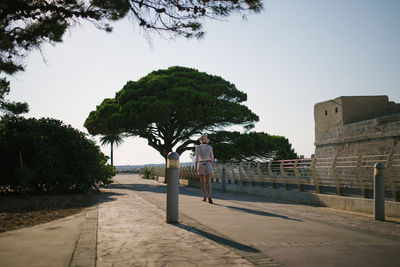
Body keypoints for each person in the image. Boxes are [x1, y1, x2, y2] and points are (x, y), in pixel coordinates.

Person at [195, 133, 214, 204]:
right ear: (206, 141)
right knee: (208, 182)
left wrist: (195, 167)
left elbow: (196, 158)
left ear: (201, 141)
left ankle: (204, 197)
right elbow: (212, 158)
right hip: (208, 164)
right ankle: (210, 196)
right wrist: (212, 165)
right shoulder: (210, 147)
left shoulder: (198, 148)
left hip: (200, 164)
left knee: (203, 182)